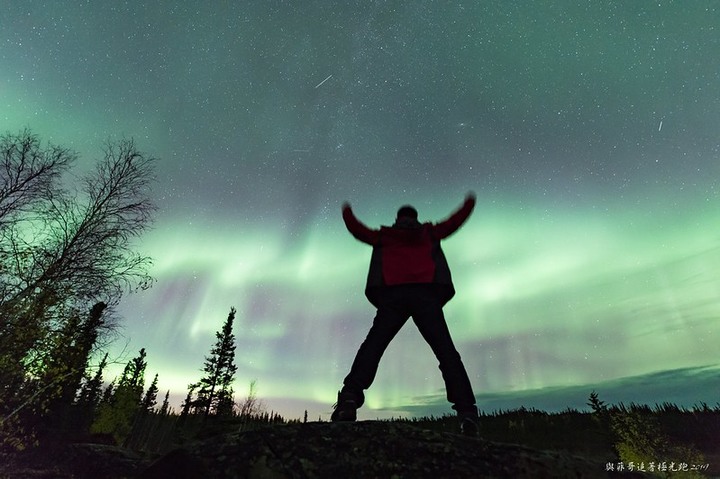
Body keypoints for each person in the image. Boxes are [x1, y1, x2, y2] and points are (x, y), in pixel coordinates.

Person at [332, 193, 479, 436]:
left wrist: (347, 211)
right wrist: (468, 204)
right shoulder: (429, 233)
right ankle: (467, 412)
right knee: (446, 353)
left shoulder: (385, 236)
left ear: (398, 218)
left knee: (374, 346)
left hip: (393, 298)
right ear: (416, 218)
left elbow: (358, 230)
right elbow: (454, 222)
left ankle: (349, 399)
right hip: (426, 298)